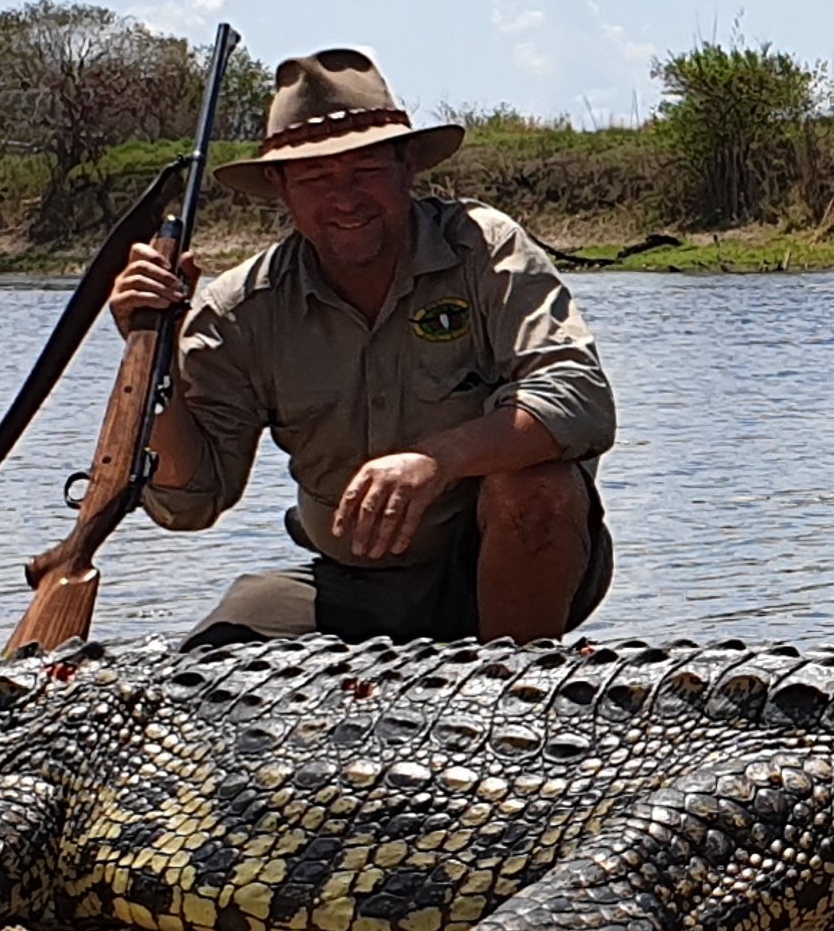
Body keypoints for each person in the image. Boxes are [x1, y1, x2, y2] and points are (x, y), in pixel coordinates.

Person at [106, 47, 617, 645]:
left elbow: (579, 398)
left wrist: (436, 459)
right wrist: (152, 353)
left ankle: (514, 694)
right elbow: (190, 502)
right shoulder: (238, 308)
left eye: (365, 170)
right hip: (346, 583)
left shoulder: (486, 247)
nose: (344, 198)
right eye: (316, 177)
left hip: (497, 564)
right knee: (207, 658)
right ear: (280, 187)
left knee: (538, 486)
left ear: (407, 167)